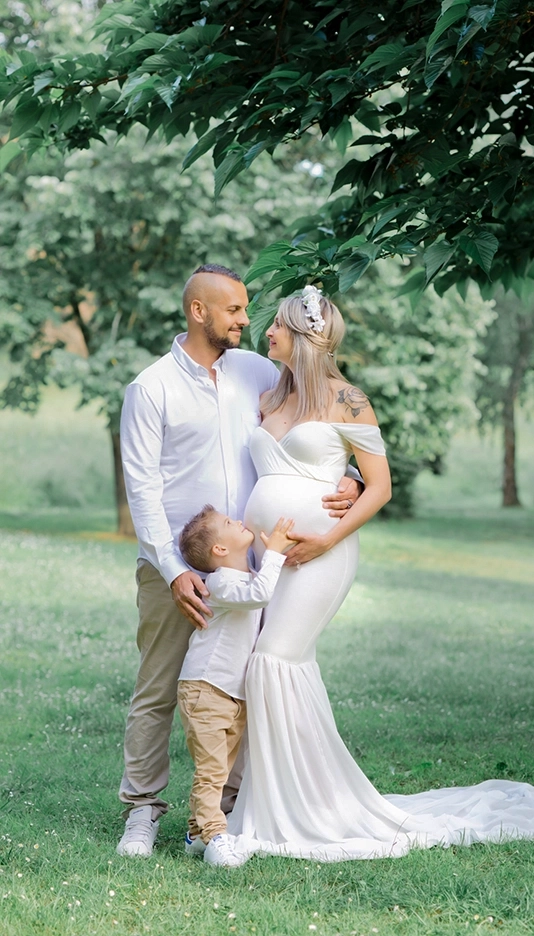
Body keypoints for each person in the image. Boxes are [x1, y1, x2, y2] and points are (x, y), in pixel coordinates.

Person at [215, 285, 534, 865]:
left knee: (275, 659)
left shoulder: (348, 399)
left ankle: (308, 810)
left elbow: (378, 485)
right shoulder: (268, 397)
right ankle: (277, 800)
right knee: (268, 665)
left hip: (323, 555)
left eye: (277, 325)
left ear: (303, 338)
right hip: (271, 556)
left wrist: (327, 535)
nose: (266, 331)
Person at [116, 266, 361, 858]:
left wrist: (349, 478)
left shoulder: (258, 372)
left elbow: (317, 424)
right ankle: (143, 809)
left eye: (249, 310)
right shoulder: (150, 389)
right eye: (235, 311)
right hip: (176, 569)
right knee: (158, 686)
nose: (247, 321)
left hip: (253, 568)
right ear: (200, 312)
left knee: (244, 685)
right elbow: (142, 490)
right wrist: (174, 569)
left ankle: (224, 809)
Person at [176, 508, 295, 867]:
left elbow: (262, 588)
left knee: (222, 770)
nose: (238, 522)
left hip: (229, 691)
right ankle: (215, 835)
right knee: (212, 771)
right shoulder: (222, 584)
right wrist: (275, 549)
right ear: (220, 551)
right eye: (229, 524)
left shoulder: (243, 576)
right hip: (206, 688)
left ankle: (195, 835)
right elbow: (260, 594)